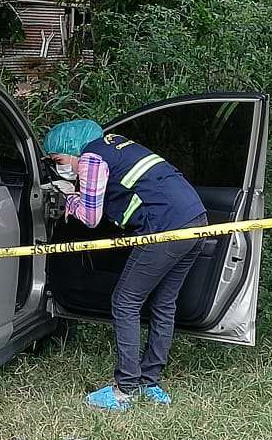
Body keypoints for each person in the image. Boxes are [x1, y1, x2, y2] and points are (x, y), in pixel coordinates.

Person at [45, 119, 208, 412]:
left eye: (57, 160)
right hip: (195, 219)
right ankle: (149, 382)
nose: (59, 167)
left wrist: (69, 198)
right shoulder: (116, 144)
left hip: (165, 229)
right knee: (164, 302)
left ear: (70, 149)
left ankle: (125, 389)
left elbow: (91, 217)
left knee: (125, 301)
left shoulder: (92, 158)